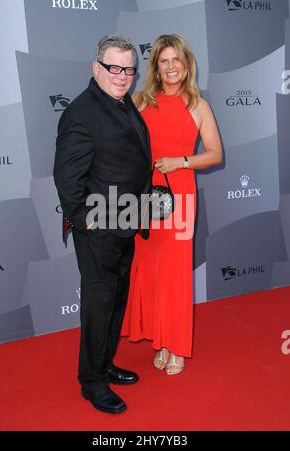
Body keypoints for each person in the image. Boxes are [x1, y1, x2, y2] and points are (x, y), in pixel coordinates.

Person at [53, 36, 151, 413]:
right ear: (97, 68)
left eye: (129, 69)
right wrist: (87, 224)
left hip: (124, 220)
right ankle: (92, 381)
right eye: (114, 68)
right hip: (99, 228)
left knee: (115, 301)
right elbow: (67, 178)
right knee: (98, 304)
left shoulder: (121, 102)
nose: (123, 76)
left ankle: (105, 363)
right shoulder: (81, 112)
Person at [122, 34, 222, 375]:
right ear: (156, 66)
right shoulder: (140, 101)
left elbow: (215, 154)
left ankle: (175, 345)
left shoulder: (198, 105)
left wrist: (181, 161)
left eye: (176, 59)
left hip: (179, 194)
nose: (170, 67)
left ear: (186, 63)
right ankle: (159, 339)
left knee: (176, 274)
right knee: (148, 270)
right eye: (163, 61)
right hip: (145, 195)